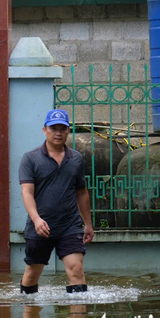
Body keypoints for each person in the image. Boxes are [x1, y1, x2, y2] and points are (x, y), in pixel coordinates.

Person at [19, 109, 94, 295]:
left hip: (70, 225)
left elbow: (82, 193)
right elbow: (26, 193)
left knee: (76, 269)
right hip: (41, 226)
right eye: (54, 128)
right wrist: (36, 219)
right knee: (32, 274)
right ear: (45, 130)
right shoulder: (31, 158)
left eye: (63, 128)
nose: (58, 133)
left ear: (69, 131)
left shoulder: (75, 159)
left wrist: (88, 224)